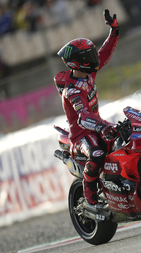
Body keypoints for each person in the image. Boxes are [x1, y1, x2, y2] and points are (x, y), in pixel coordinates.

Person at [54, 9, 119, 206]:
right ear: (78, 62)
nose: (94, 57)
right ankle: (90, 197)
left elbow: (105, 52)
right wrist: (102, 127)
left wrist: (114, 30)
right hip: (82, 135)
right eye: (89, 54)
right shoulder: (72, 90)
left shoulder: (88, 74)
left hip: (99, 125)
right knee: (98, 154)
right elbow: (83, 117)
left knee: (125, 138)